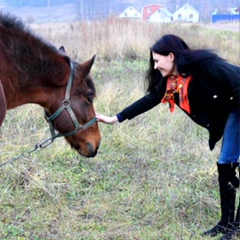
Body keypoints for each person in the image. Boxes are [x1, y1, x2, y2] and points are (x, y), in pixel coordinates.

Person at [96, 34, 240, 240]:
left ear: (171, 56)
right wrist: (115, 118)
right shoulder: (173, 83)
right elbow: (151, 99)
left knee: (228, 160)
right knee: (226, 162)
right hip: (235, 107)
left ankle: (235, 226)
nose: (155, 67)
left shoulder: (207, 66)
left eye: (157, 60)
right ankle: (226, 224)